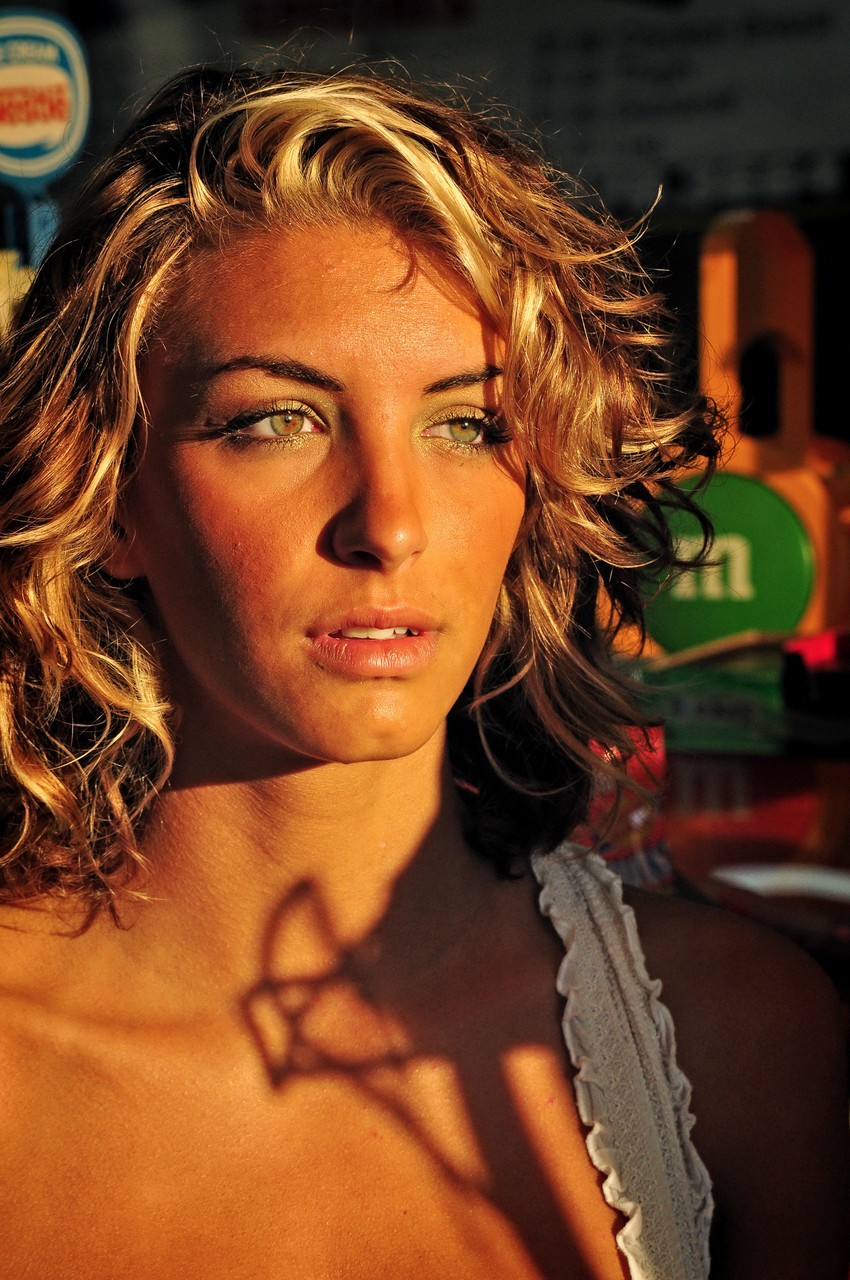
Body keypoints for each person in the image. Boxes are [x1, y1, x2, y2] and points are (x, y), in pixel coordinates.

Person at [0, 65, 846, 1280]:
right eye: (275, 419)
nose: (390, 524)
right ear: (107, 493)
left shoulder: (739, 1046)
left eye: (468, 424)